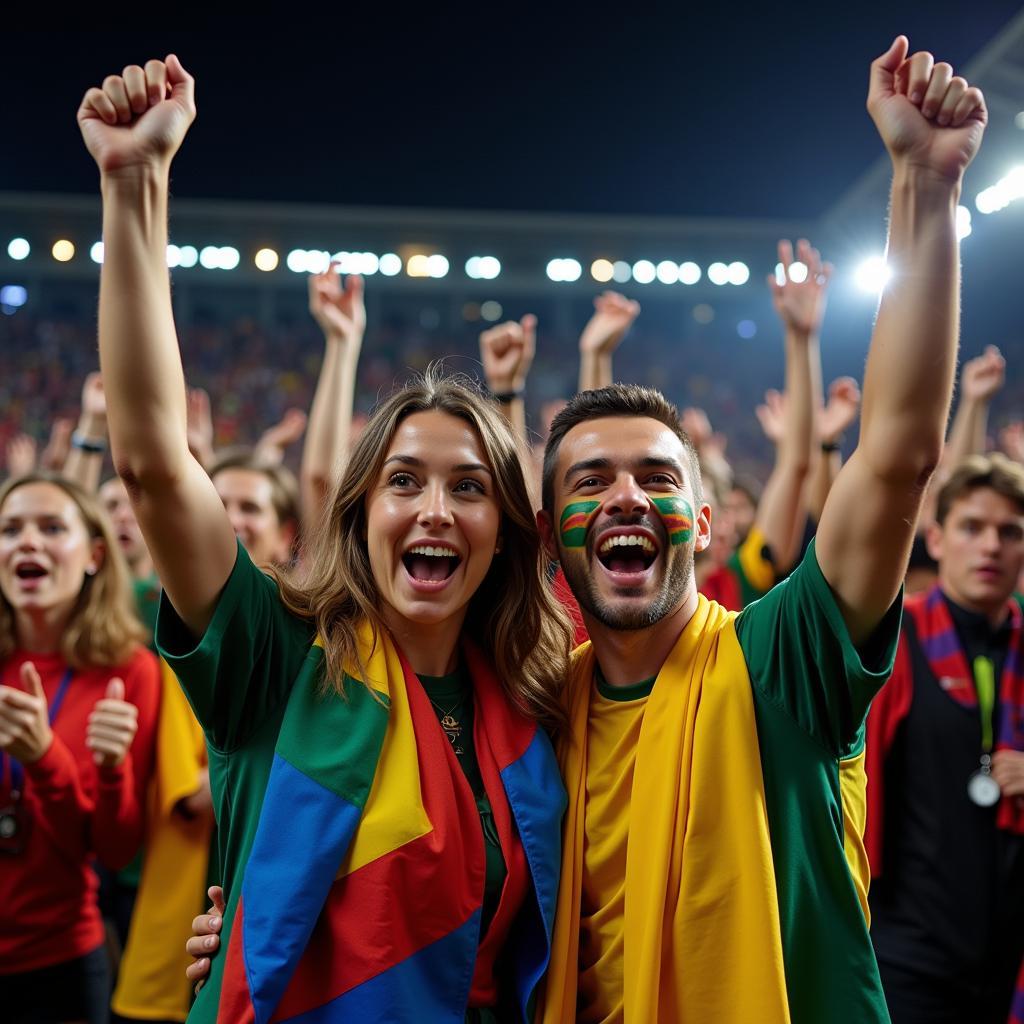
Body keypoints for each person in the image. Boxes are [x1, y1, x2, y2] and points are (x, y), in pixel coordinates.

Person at [79, 54, 572, 1024]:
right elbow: (152, 463)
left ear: (506, 530)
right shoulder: (277, 656)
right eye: (404, 482)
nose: (434, 509)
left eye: (468, 488)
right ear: (357, 514)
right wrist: (135, 186)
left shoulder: (542, 694)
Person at [532, 36, 985, 1023]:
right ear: (548, 530)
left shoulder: (779, 660)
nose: (623, 498)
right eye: (590, 480)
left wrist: (922, 187)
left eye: (656, 476)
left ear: (700, 516)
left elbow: (899, 450)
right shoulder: (523, 711)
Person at [865, 454, 1024, 1023]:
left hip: (1009, 962)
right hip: (908, 955)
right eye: (972, 528)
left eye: (1011, 533)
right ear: (935, 538)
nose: (991, 547)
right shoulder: (890, 643)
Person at [0, 472, 160, 1024]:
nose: (27, 542)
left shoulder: (129, 671)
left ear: (94, 554)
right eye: (10, 528)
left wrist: (47, 761)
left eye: (50, 527)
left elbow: (113, 850)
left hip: (61, 963)